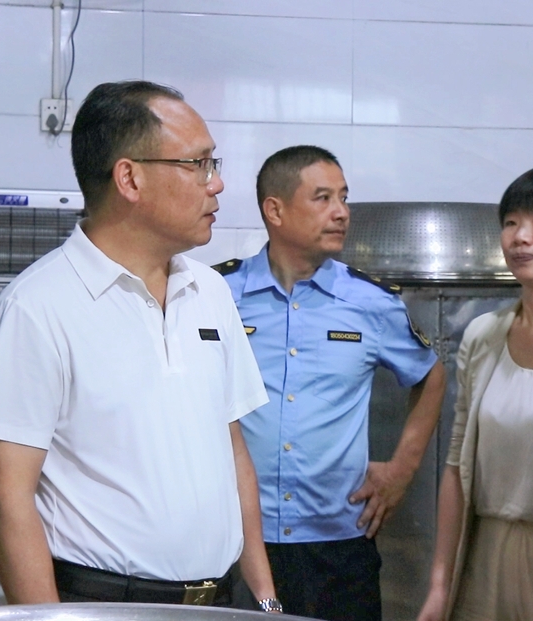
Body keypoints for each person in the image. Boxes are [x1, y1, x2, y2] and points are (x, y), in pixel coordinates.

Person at [0, 80, 281, 613]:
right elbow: (6, 497)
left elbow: (233, 454)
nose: (218, 183)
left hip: (221, 599)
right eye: (199, 164)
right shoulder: (39, 306)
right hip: (104, 603)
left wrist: (266, 600)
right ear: (130, 178)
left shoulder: (209, 292)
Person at [213, 145, 447, 621]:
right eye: (322, 198)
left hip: (338, 546)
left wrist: (401, 470)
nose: (341, 212)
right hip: (236, 539)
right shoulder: (218, 295)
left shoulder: (371, 303)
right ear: (274, 210)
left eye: (343, 198)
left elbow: (430, 375)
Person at [417, 169, 533, 621]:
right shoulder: (484, 335)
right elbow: (457, 466)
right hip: (483, 556)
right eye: (511, 222)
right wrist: (440, 585)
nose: (521, 237)